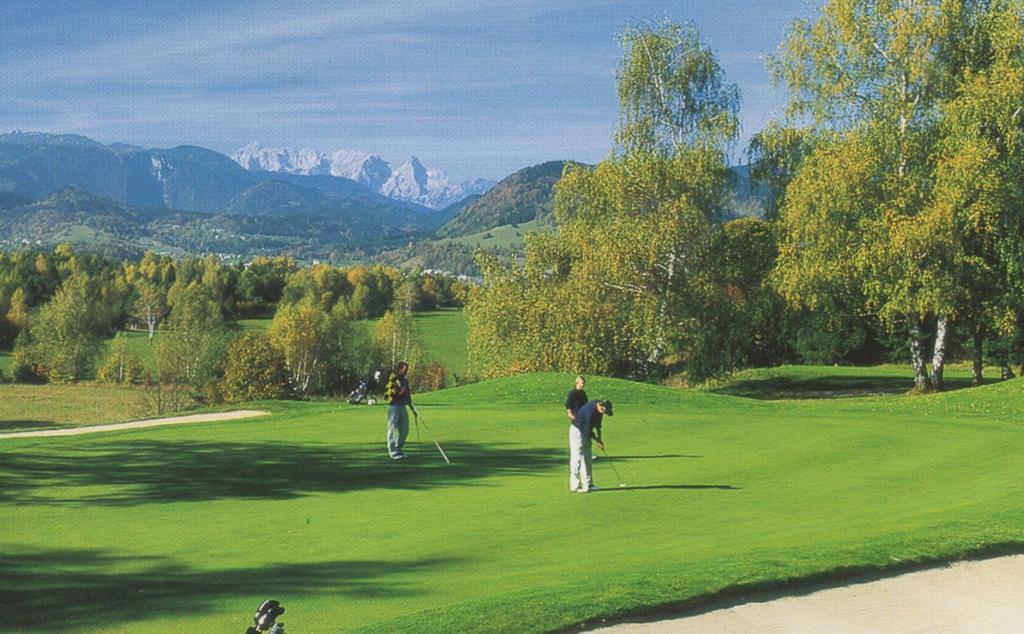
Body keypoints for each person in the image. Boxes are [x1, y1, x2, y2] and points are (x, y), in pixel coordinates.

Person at [569, 399, 613, 493]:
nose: (604, 413)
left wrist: (600, 439)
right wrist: (596, 439)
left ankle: (588, 484)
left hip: (585, 431)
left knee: (587, 458)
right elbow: (587, 431)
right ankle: (575, 485)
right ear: (601, 406)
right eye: (605, 411)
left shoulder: (600, 410)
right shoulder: (590, 412)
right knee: (577, 458)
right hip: (577, 431)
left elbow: (598, 426)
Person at [385, 361, 413, 460]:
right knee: (392, 430)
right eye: (405, 370)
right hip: (394, 407)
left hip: (403, 407)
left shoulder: (405, 381)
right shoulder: (393, 379)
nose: (406, 372)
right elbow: (389, 395)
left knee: (405, 430)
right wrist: (400, 392)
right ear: (400, 369)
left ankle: (398, 449)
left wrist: (413, 408)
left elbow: (408, 395)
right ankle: (392, 452)